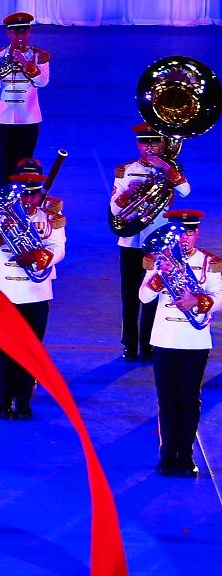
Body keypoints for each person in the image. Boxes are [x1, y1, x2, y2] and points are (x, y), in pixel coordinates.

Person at [0, 157, 66, 419]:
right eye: (24, 194)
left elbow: (59, 248)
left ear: (40, 194)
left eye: (33, 194)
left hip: (36, 293)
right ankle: (3, 400)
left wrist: (38, 257)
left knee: (32, 349)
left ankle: (24, 400)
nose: (28, 200)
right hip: (4, 293)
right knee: (3, 349)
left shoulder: (50, 218)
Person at [139, 209, 219, 476]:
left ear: (197, 234)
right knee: (167, 400)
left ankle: (185, 455)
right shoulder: (159, 261)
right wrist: (157, 279)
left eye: (190, 232)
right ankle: (166, 456)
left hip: (195, 341)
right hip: (165, 339)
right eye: (179, 233)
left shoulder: (209, 262)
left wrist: (197, 301)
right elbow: (143, 297)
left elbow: (220, 296)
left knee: (189, 400)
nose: (184, 238)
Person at [112, 126, 190, 362]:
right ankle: (130, 344)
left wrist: (166, 168)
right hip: (130, 240)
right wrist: (128, 194)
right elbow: (114, 208)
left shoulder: (170, 168)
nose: (149, 147)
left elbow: (185, 191)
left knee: (153, 294)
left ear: (163, 144)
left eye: (154, 142)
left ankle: (148, 345)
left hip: (158, 242)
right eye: (144, 143)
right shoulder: (126, 170)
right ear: (138, 144)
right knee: (129, 295)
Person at [0, 12, 50, 185]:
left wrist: (25, 63)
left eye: (24, 32)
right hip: (3, 117)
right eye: (16, 32)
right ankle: (4, 200)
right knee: (5, 163)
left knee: (25, 165)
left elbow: (43, 82)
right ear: (8, 33)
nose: (20, 36)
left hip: (29, 117)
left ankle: (24, 199)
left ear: (29, 33)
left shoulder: (40, 56)